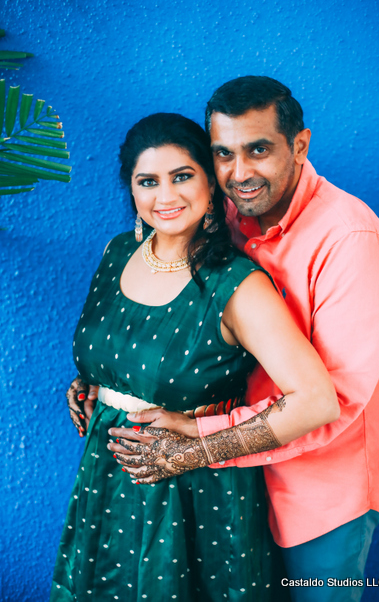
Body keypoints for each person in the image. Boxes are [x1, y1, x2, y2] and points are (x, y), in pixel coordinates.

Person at [102, 77, 379, 602]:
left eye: (258, 150)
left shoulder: (353, 242)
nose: (239, 173)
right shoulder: (222, 216)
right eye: (223, 154)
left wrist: (200, 443)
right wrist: (107, 385)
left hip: (320, 492)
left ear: (300, 145)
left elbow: (335, 405)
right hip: (233, 485)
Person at [53, 112, 339, 602]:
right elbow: (125, 354)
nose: (166, 197)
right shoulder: (118, 251)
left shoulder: (236, 284)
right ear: (133, 191)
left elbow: (317, 401)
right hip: (105, 481)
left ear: (211, 184)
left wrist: (197, 450)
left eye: (182, 177)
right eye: (149, 182)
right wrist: (97, 387)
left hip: (195, 496)